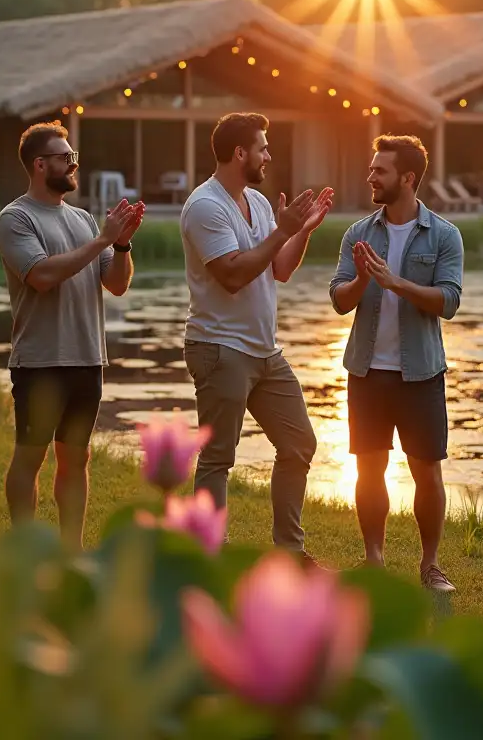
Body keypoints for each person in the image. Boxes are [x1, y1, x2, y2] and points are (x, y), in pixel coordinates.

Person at [180, 112, 332, 557]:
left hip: (265, 352)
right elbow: (230, 275)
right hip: (219, 348)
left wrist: (299, 232)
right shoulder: (205, 206)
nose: (269, 155)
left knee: (299, 443)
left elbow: (279, 268)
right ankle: (209, 556)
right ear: (239, 153)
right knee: (218, 459)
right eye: (263, 147)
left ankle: (289, 553)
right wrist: (282, 232)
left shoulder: (261, 203)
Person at [0, 122, 143, 549]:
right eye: (66, 158)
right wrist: (102, 240)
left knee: (76, 459)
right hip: (41, 361)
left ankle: (70, 551)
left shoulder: (81, 218)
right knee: (31, 455)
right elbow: (41, 276)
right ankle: (25, 549)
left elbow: (116, 285)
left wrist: (121, 247)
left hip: (87, 358)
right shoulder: (16, 217)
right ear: (40, 165)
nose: (74, 164)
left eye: (73, 157)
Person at [330, 135, 463, 592]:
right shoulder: (358, 234)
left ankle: (430, 567)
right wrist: (363, 278)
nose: (370, 176)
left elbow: (449, 301)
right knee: (369, 470)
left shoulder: (444, 234)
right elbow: (339, 300)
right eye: (371, 169)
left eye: (379, 170)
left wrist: (395, 282)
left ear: (407, 178)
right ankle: (374, 562)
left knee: (427, 471)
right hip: (366, 371)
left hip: (421, 372)